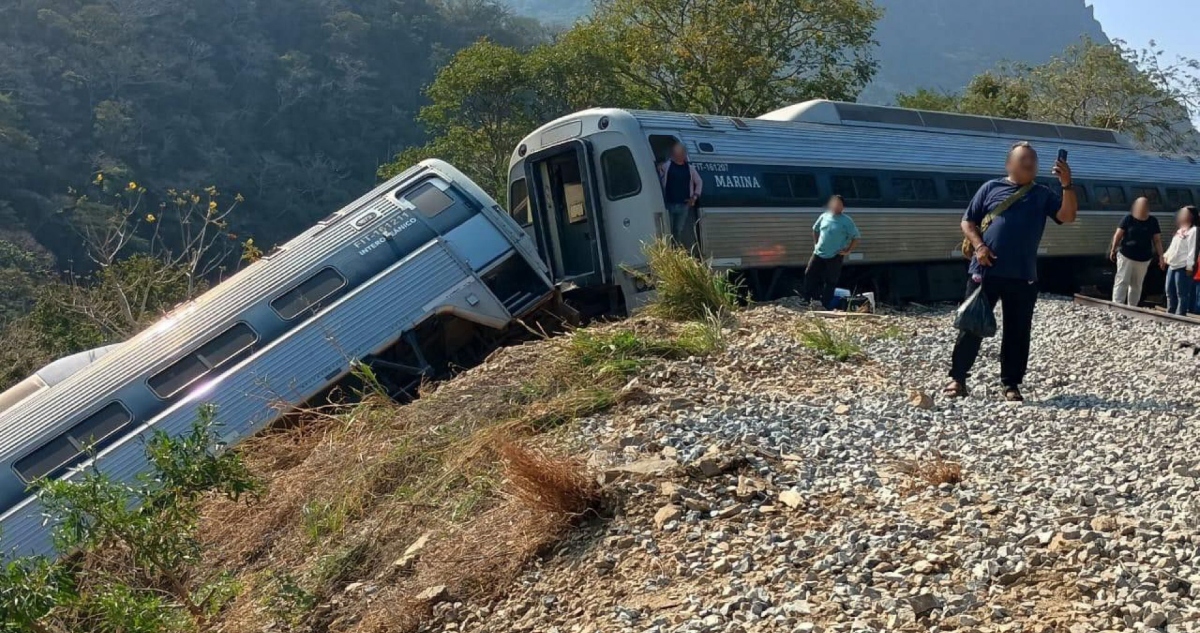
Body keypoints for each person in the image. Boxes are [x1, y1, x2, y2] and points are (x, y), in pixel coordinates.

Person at [945, 141, 1077, 402]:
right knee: (971, 325)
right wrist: (979, 246)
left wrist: (1066, 185)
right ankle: (957, 378)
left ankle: (1011, 384)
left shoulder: (1042, 193)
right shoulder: (990, 188)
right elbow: (967, 221)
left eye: (1033, 160)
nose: (1029, 163)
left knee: (1018, 331)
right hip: (985, 271)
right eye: (1023, 159)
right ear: (1009, 164)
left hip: (1023, 275)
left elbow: (1068, 216)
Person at [805, 195, 860, 310]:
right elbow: (815, 229)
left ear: (843, 207)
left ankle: (825, 304)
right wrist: (816, 244)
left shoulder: (846, 221)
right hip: (818, 253)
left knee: (830, 280)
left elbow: (856, 237)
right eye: (834, 203)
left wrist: (848, 250)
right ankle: (812, 299)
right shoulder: (824, 216)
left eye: (839, 204)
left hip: (835, 255)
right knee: (810, 274)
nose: (836, 206)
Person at [1108, 197, 1163, 307]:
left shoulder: (1152, 221)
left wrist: (1161, 256)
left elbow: (1157, 240)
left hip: (1144, 258)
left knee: (1137, 284)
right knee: (1122, 280)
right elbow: (1118, 235)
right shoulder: (1128, 218)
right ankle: (1117, 305)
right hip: (1126, 255)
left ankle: (1132, 306)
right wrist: (1113, 249)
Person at [657, 142, 703, 250]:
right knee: (668, 229)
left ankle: (676, 250)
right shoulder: (667, 166)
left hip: (684, 205)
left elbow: (699, 182)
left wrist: (694, 197)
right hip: (669, 203)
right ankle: (669, 251)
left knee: (678, 230)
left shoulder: (690, 169)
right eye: (676, 153)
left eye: (681, 153)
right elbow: (660, 171)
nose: (679, 155)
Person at [1162, 205, 1197, 316]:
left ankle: (1180, 314)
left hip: (1183, 266)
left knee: (1181, 292)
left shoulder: (1194, 231)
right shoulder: (1180, 230)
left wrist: (1190, 266)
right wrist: (1165, 256)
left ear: (1191, 216)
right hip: (1172, 264)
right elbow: (1173, 246)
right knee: (1169, 290)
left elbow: (1193, 249)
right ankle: (1170, 311)